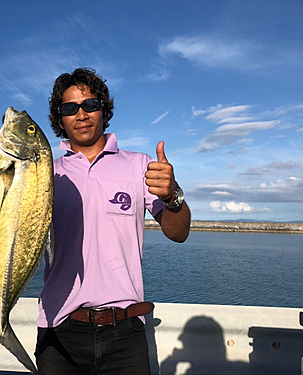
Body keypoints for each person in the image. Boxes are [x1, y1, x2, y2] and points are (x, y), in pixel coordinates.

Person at [35, 67, 191, 375]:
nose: (81, 115)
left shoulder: (140, 165)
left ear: (104, 110)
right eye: (69, 108)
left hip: (126, 331)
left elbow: (179, 232)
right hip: (59, 328)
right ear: (59, 119)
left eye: (90, 105)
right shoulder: (44, 174)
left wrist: (173, 195)